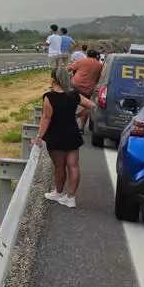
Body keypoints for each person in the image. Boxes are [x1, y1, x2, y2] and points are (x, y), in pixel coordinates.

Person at [32, 69, 95, 208]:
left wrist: (39, 136)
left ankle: (59, 192)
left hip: (56, 135)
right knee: (73, 166)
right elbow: (92, 105)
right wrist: (79, 115)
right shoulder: (74, 95)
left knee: (59, 167)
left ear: (53, 79)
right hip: (72, 134)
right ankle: (70, 197)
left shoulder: (49, 97)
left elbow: (46, 118)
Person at [67, 48, 103, 130]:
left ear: (87, 54)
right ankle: (81, 127)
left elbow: (68, 69)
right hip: (87, 89)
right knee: (88, 107)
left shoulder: (82, 61)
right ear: (96, 56)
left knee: (71, 104)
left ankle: (68, 122)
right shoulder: (100, 65)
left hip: (75, 86)